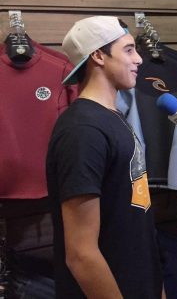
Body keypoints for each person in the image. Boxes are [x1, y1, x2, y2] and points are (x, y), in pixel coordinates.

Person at [46, 16, 163, 298]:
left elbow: (137, 222)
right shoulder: (82, 131)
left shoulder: (112, 118)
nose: (139, 59)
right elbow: (81, 254)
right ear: (98, 55)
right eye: (128, 50)